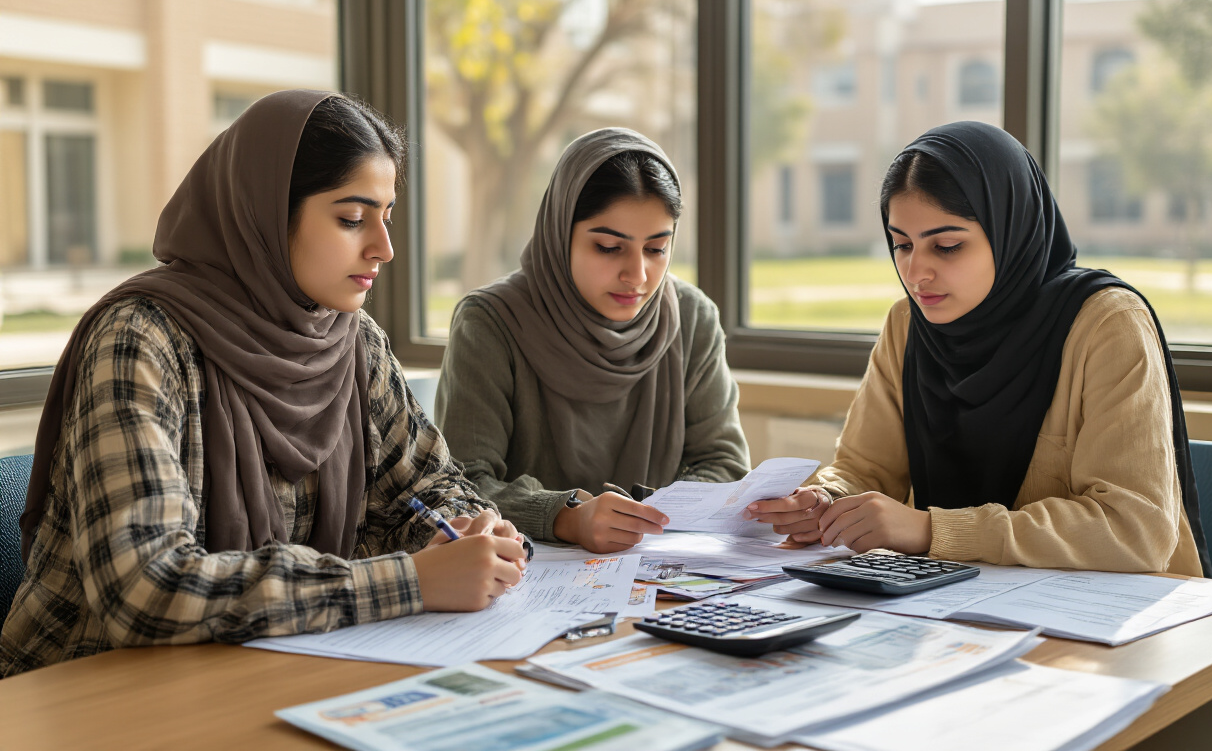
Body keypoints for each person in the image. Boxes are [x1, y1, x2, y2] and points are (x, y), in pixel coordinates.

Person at [1, 90, 525, 677]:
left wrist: (469, 536)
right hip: (82, 694)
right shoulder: (139, 341)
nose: (385, 248)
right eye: (352, 219)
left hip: (267, 672)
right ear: (268, 214)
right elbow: (144, 590)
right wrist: (410, 580)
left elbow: (430, 487)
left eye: (386, 217)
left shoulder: (353, 341)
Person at [747, 121, 1210, 576]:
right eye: (901, 245)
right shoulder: (908, 324)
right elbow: (866, 470)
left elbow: (1135, 530)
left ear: (1011, 231)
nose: (916, 272)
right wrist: (825, 501)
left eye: (946, 246)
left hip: (1119, 620)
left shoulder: (1106, 325)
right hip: (959, 610)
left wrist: (935, 531)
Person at [436, 128, 749, 554]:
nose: (637, 276)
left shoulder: (692, 318)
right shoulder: (491, 322)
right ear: (560, 232)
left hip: (656, 567)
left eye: (657, 249)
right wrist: (565, 517)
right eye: (608, 247)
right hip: (524, 575)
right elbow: (462, 482)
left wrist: (647, 515)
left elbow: (725, 464)